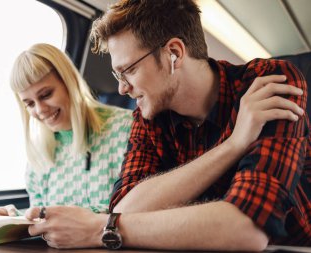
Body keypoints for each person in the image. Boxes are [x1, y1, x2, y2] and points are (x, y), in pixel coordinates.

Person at [24, 0, 310, 251]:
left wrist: (98, 230)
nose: (122, 89)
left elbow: (247, 230)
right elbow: (124, 208)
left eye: (129, 70)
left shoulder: (269, 81)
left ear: (174, 53)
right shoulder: (149, 113)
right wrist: (233, 145)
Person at [0, 43, 133, 217]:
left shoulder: (125, 128)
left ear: (69, 82)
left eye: (46, 95)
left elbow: (135, 208)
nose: (40, 110)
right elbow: (42, 222)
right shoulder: (39, 158)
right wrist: (15, 218)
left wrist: (62, 217)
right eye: (30, 103)